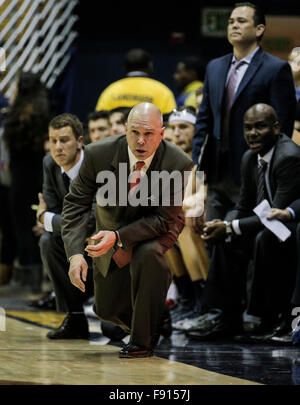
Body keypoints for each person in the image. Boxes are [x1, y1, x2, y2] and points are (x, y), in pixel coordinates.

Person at [61, 102, 193, 358]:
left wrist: (119, 237)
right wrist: (75, 254)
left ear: (162, 134)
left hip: (156, 228)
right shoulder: (99, 154)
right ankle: (154, 312)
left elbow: (163, 219)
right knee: (106, 311)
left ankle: (142, 342)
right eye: (135, 132)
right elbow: (76, 204)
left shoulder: (178, 162)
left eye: (149, 134)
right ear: (124, 129)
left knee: (148, 254)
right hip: (112, 227)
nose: (141, 141)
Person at [187, 104, 300, 342]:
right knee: (225, 237)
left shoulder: (288, 156)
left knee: (263, 238)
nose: (252, 133)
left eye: (260, 126)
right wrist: (224, 223)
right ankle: (226, 318)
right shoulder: (250, 157)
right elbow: (243, 206)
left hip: (288, 227)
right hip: (267, 223)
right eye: (247, 128)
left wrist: (230, 226)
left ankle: (266, 317)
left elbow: (274, 216)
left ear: (276, 128)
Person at [192, 2, 296, 223]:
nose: (234, 26)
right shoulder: (215, 67)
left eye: (241, 21)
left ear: (259, 29)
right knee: (213, 238)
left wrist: (270, 168)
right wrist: (198, 169)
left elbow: (282, 126)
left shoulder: (275, 68)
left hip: (254, 171)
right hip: (217, 171)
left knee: (245, 238)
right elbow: (204, 121)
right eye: (230, 22)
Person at [36, 113, 95, 339]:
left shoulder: (95, 163)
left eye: (64, 140)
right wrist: (50, 218)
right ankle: (75, 316)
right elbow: (51, 207)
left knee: (113, 329)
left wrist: (45, 219)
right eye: (53, 141)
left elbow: (92, 220)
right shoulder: (49, 163)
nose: (58, 147)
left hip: (102, 239)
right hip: (73, 239)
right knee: (47, 241)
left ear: (80, 142)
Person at [3, 71, 50, 292]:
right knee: (37, 222)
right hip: (39, 176)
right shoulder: (43, 113)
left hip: (22, 178)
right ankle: (36, 277)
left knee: (23, 225)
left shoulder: (18, 117)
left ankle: (29, 278)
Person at [95, 49, 176, 116]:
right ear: (150, 66)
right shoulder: (162, 91)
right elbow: (170, 119)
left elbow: (99, 118)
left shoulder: (111, 91)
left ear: (124, 68)